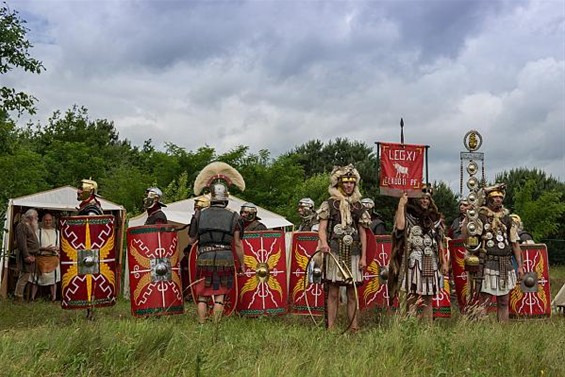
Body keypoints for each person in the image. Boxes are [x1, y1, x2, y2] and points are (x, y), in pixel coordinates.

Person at [189, 161, 246, 324]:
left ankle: (201, 325)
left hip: (204, 256)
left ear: (211, 196)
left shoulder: (199, 215)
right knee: (219, 295)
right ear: (226, 197)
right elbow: (237, 244)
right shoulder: (234, 216)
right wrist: (242, 264)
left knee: (202, 295)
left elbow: (192, 239)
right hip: (225, 257)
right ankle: (215, 326)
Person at [317, 164, 370, 331]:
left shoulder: (358, 206)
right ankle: (331, 328)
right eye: (346, 182)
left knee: (352, 293)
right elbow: (322, 229)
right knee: (333, 292)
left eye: (351, 182)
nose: (349, 185)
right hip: (334, 251)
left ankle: (354, 327)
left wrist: (363, 257)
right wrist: (324, 244)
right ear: (339, 183)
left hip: (353, 253)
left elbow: (363, 234)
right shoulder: (330, 204)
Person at [388, 185, 449, 321]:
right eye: (422, 198)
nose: (424, 201)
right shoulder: (408, 216)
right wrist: (401, 205)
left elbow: (439, 242)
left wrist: (444, 262)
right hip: (414, 260)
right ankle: (411, 326)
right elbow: (399, 227)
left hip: (430, 260)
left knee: (428, 296)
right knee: (413, 295)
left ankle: (428, 328)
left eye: (427, 198)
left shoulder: (435, 219)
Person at [467, 183, 524, 321]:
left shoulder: (508, 220)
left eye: (500, 197)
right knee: (484, 300)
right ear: (489, 199)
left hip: (505, 263)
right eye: (495, 197)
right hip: (488, 262)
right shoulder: (481, 218)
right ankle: (482, 332)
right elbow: (471, 237)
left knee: (504, 301)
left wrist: (520, 266)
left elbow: (515, 244)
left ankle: (502, 333)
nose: (499, 199)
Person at [30, 213, 61, 302]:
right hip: (40, 258)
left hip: (53, 259)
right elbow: (33, 247)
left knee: (53, 280)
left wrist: (56, 248)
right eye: (46, 220)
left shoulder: (57, 233)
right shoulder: (38, 232)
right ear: (43, 221)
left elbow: (60, 246)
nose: (48, 222)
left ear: (53, 221)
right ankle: (32, 298)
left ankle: (53, 298)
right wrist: (45, 248)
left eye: (50, 220)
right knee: (35, 279)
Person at [14, 209, 40, 302]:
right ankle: (18, 297)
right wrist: (26, 256)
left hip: (30, 254)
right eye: (36, 217)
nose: (37, 218)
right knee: (24, 277)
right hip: (26, 255)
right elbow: (22, 243)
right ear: (31, 217)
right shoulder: (22, 226)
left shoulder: (29, 226)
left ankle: (19, 296)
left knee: (25, 276)